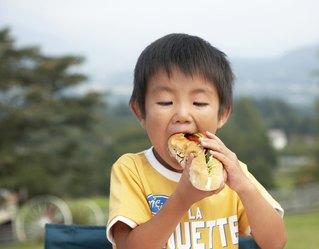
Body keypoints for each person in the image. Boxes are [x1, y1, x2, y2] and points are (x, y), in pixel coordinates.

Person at [106, 33, 287, 249]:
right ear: (140, 112)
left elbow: (275, 243)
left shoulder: (231, 171)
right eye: (166, 102)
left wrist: (244, 187)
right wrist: (182, 198)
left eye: (199, 103)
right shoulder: (131, 170)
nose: (182, 114)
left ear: (223, 114)